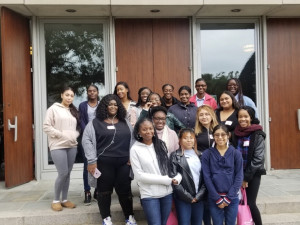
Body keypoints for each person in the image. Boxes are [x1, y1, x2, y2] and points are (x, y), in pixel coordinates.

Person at [82, 94, 137, 225]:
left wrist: (132, 156)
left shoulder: (125, 122)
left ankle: (129, 217)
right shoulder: (94, 123)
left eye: (115, 104)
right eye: (110, 105)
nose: (113, 107)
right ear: (104, 107)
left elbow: (133, 140)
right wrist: (91, 161)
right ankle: (106, 218)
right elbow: (86, 141)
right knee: (104, 192)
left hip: (124, 163)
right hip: (103, 164)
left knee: (125, 191)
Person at [130, 118, 178, 225]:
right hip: (149, 195)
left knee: (164, 222)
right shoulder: (135, 149)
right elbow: (140, 176)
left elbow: (168, 167)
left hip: (167, 193)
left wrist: (175, 178)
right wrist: (165, 180)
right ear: (139, 132)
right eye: (144, 129)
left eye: (151, 128)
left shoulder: (161, 145)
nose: (148, 132)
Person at [43, 86, 80, 211]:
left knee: (68, 173)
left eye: (71, 95)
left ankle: (64, 199)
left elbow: (76, 128)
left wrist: (74, 136)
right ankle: (55, 200)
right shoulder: (53, 109)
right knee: (62, 173)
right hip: (58, 146)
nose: (69, 97)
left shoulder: (73, 111)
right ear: (61, 95)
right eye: (67, 95)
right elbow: (46, 127)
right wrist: (61, 134)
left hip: (71, 146)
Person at [201, 124, 243, 225]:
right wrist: (217, 198)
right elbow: (206, 177)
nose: (220, 137)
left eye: (223, 135)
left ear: (228, 135)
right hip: (214, 198)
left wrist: (229, 197)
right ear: (213, 136)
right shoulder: (207, 154)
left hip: (232, 198)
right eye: (217, 135)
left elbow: (239, 176)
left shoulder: (235, 153)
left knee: (231, 223)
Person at [232, 106, 266, 225]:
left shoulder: (258, 134)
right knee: (238, 203)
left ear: (251, 117)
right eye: (240, 117)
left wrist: (246, 177)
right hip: (237, 174)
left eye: (246, 116)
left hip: (253, 173)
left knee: (251, 203)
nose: (243, 119)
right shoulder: (235, 133)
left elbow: (258, 159)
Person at [169, 128, 207, 225]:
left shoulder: (201, 155)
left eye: (191, 138)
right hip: (182, 198)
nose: (189, 140)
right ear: (180, 140)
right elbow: (173, 179)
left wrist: (198, 196)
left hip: (199, 197)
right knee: (184, 222)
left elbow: (206, 178)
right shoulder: (175, 156)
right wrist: (188, 197)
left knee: (197, 222)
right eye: (186, 138)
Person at [194, 105, 218, 225]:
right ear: (198, 117)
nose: (204, 117)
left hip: (217, 169)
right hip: (201, 169)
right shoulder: (195, 132)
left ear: (212, 115)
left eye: (207, 114)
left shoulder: (218, 131)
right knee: (204, 198)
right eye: (201, 115)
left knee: (215, 197)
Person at [78, 84, 99, 205]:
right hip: (87, 138)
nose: (91, 93)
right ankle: (87, 191)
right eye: (89, 91)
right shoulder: (82, 105)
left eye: (94, 91)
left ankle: (96, 189)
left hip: (100, 138)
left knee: (98, 164)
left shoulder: (101, 105)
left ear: (97, 92)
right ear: (87, 93)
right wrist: (89, 133)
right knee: (88, 165)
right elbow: (81, 120)